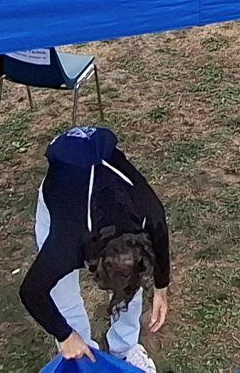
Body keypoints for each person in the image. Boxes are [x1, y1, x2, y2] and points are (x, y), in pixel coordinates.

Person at [21, 126, 172, 372]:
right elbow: (32, 291)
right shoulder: (66, 244)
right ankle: (82, 356)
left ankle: (125, 348)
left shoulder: (148, 215)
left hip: (108, 184)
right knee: (63, 295)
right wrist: (64, 334)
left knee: (130, 284)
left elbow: (160, 233)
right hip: (60, 199)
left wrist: (161, 288)